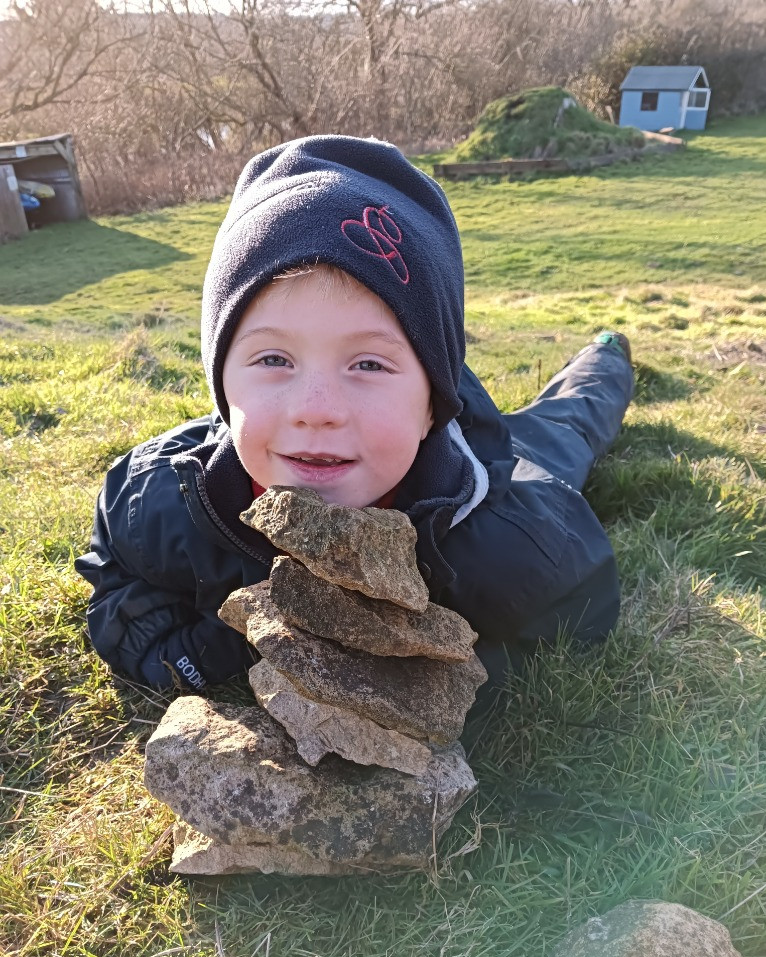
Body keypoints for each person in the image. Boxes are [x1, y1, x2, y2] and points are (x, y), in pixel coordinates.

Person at [75, 134, 634, 700]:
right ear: (222, 384)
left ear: (429, 406)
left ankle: (607, 353)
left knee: (568, 425)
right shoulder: (161, 500)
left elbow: (582, 603)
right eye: (274, 359)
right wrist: (217, 652)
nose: (316, 410)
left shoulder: (504, 536)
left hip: (497, 457)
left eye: (368, 362)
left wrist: (434, 669)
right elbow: (116, 580)